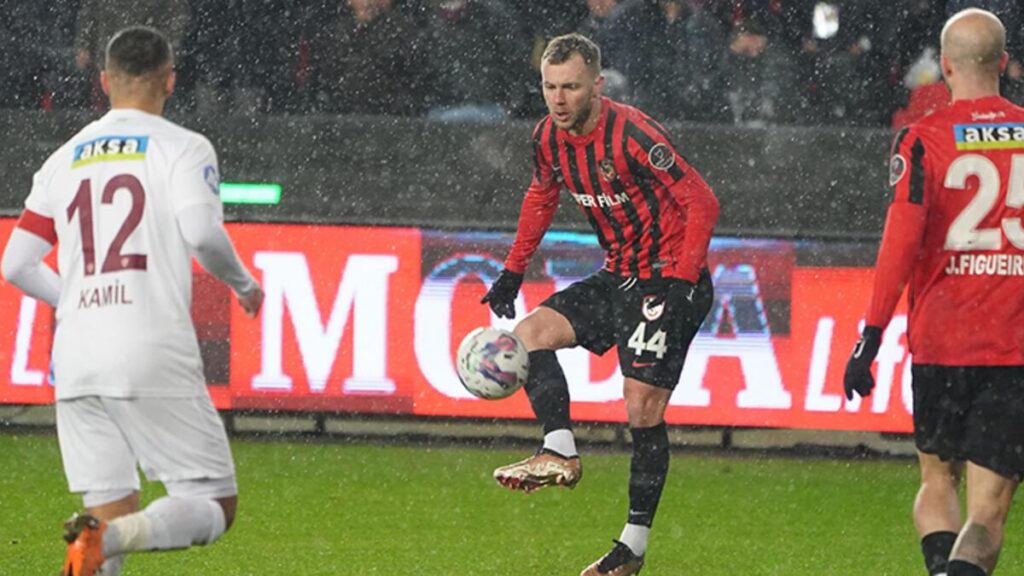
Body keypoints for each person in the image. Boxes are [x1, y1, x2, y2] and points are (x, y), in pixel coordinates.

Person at [0, 26, 263, 576]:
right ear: (170, 80)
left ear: (104, 81)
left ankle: (101, 535)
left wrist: (74, 301)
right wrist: (244, 285)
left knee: (106, 506)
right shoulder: (183, 147)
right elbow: (202, 234)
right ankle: (110, 536)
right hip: (149, 343)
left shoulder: (63, 159)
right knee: (214, 503)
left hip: (76, 356)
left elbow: (16, 264)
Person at [481, 33, 719, 576]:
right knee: (528, 336)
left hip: (666, 279)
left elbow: (702, 201)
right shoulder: (547, 138)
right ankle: (560, 449)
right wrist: (513, 271)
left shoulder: (633, 134)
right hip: (618, 276)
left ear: (597, 84)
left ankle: (631, 546)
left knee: (641, 409)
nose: (558, 99)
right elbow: (541, 197)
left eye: (570, 86)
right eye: (549, 87)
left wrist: (683, 284)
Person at [844, 9, 1024, 576]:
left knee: (936, 479)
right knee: (988, 510)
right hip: (1012, 345)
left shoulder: (922, 140)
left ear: (945, 66)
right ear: (1004, 63)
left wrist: (871, 336)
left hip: (942, 341)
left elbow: (898, 244)